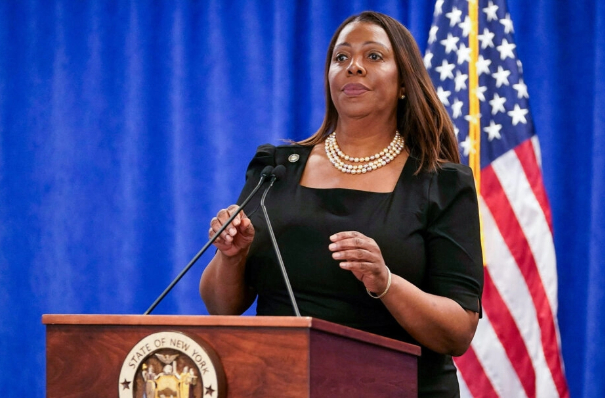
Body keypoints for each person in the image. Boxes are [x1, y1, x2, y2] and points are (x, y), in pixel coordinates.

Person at [200, 11, 483, 398]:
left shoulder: (441, 183)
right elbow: (222, 308)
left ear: (404, 84)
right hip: (278, 385)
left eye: (374, 57)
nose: (354, 68)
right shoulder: (275, 169)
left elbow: (458, 332)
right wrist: (232, 255)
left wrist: (386, 283)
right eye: (341, 57)